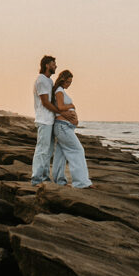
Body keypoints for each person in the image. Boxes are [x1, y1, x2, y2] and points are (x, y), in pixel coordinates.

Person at [51, 70, 92, 189]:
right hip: (62, 127)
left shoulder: (60, 90)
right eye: (68, 82)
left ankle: (59, 181)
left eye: (71, 82)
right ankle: (81, 182)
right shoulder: (59, 91)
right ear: (63, 80)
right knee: (78, 151)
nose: (69, 84)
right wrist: (71, 106)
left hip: (64, 127)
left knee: (61, 154)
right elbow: (60, 107)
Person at [31, 54, 67, 185]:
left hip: (50, 120)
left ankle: (45, 177)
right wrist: (61, 111)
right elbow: (45, 102)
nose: (55, 66)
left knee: (48, 150)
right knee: (42, 149)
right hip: (44, 120)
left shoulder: (49, 81)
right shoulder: (41, 80)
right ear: (47, 65)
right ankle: (36, 178)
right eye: (53, 64)